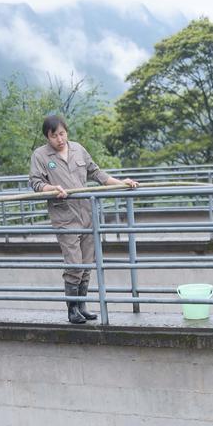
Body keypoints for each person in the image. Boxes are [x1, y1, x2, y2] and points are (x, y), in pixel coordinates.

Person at [29, 115, 139, 324]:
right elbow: (35, 183)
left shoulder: (78, 149)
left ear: (66, 132)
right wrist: (51, 188)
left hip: (87, 214)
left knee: (87, 263)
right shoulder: (40, 155)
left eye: (62, 134)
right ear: (47, 137)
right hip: (64, 216)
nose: (59, 139)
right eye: (54, 136)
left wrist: (121, 182)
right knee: (74, 263)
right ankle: (72, 308)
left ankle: (82, 306)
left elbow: (96, 173)